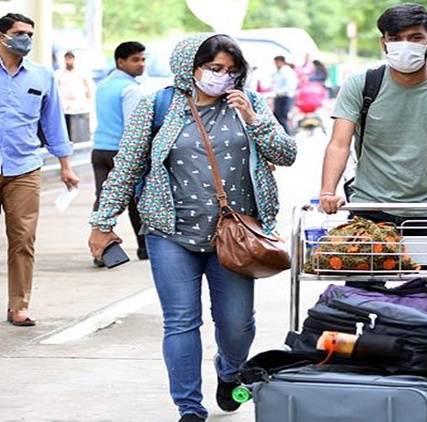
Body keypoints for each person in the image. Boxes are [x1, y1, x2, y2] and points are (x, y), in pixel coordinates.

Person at [87, 34, 296, 421]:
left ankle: (229, 370)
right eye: (214, 68)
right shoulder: (159, 105)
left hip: (233, 236)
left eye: (231, 71)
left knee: (237, 323)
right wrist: (103, 222)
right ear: (191, 66)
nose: (223, 77)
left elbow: (286, 153)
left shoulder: (248, 103)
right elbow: (129, 166)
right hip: (170, 233)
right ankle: (189, 408)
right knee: (181, 321)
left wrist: (254, 121)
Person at [320, 3, 427, 224]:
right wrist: (328, 191)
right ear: (384, 43)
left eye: (415, 38)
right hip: (369, 206)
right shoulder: (362, 85)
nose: (405, 45)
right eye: (395, 38)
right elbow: (339, 143)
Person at [0, 13, 79, 327]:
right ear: (2, 36)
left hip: (24, 169)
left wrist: (66, 166)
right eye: (20, 33)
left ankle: (19, 305)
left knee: (23, 240)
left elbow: (53, 123)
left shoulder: (43, 76)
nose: (27, 40)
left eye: (30, 35)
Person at [91, 41, 147, 263]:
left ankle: (100, 249)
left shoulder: (103, 85)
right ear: (120, 62)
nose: (141, 64)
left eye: (143, 59)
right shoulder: (130, 89)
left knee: (103, 200)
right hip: (121, 152)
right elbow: (134, 127)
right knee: (136, 200)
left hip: (99, 149)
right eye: (135, 60)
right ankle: (145, 248)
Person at [55, 50, 93, 142]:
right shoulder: (59, 73)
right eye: (67, 58)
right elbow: (56, 88)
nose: (69, 61)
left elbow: (88, 87)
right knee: (66, 128)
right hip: (65, 106)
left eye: (71, 58)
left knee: (79, 129)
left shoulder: (81, 72)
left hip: (78, 105)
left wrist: (88, 99)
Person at [272, 55, 298, 134]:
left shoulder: (286, 71)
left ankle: (287, 135)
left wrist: (279, 92)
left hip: (285, 97)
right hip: (279, 97)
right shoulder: (278, 71)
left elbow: (291, 85)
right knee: (277, 117)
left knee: (282, 118)